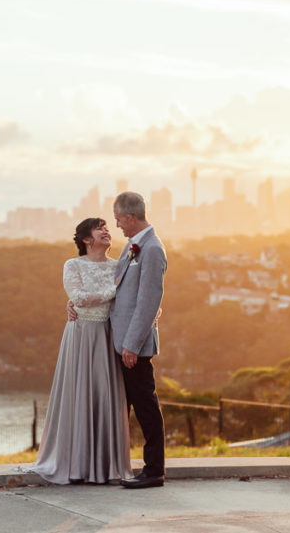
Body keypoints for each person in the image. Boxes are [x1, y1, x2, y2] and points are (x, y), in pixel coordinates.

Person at [30, 218, 133, 484]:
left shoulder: (119, 265)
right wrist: (114, 291)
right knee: (79, 395)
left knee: (104, 397)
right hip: (81, 336)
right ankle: (76, 464)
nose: (107, 232)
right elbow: (78, 298)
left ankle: (103, 466)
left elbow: (130, 297)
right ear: (87, 239)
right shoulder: (73, 265)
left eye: (108, 228)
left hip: (109, 335)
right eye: (101, 229)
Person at [110, 191, 167, 489]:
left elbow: (147, 302)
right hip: (122, 345)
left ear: (131, 217)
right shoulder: (133, 246)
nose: (117, 224)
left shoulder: (152, 249)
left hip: (135, 347)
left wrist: (131, 345)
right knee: (128, 407)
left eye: (118, 218)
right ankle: (121, 465)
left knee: (146, 407)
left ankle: (154, 470)